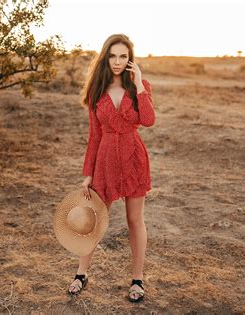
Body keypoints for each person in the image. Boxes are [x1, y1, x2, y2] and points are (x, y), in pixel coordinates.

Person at [67, 34, 155, 303]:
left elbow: (149, 120)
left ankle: (137, 278)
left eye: (123, 56)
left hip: (133, 158)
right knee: (95, 220)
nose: (117, 61)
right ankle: (81, 274)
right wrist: (88, 173)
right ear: (106, 57)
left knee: (134, 220)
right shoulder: (97, 90)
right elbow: (94, 136)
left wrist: (139, 84)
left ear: (130, 60)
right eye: (113, 56)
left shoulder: (139, 87)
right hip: (104, 159)